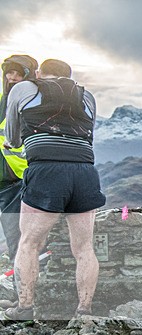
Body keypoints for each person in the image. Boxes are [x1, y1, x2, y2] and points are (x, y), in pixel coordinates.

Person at [2, 58, 105, 320]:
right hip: (84, 171)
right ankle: (84, 310)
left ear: (39, 73)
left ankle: (25, 307)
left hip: (46, 169)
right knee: (84, 247)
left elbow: (12, 137)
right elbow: (89, 132)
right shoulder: (87, 96)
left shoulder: (24, 89)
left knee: (29, 243)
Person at [0, 55, 38, 262]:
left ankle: (23, 289)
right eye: (9, 72)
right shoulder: (1, 100)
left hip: (19, 181)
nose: (12, 78)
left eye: (18, 74)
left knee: (19, 238)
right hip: (5, 183)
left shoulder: (32, 104)